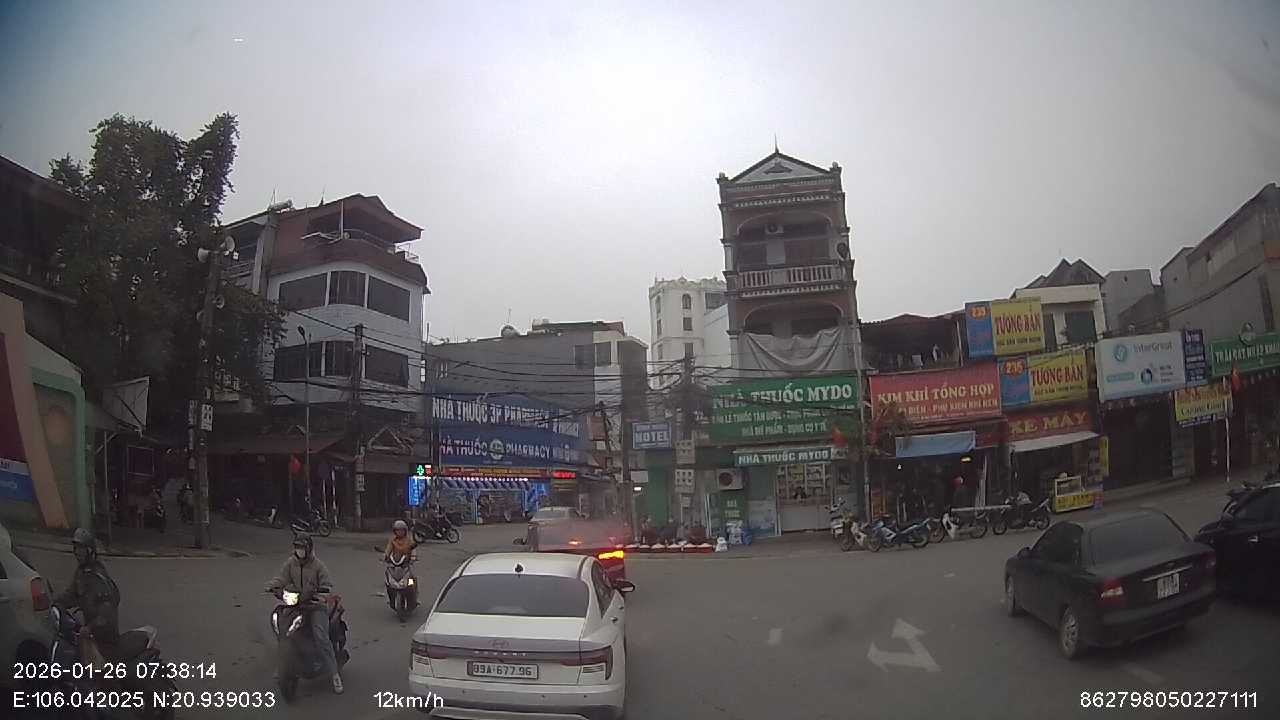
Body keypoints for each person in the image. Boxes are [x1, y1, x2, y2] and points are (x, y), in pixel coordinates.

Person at [265, 534, 343, 694]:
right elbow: (281, 578)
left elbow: (327, 585)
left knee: (320, 636)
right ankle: (282, 665)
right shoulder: (291, 563)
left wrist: (320, 594)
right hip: (296, 604)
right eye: (297, 547)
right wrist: (272, 586)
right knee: (282, 628)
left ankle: (334, 674)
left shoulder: (318, 566)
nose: (299, 551)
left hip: (315, 606)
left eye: (302, 548)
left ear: (309, 548)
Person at [55, 528, 122, 651]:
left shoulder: (97, 575)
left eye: (81, 549)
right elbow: (70, 595)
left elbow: (107, 612)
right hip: (91, 635)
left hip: (105, 638)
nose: (77, 552)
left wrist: (89, 628)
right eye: (75, 548)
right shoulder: (81, 573)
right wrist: (54, 603)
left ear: (90, 551)